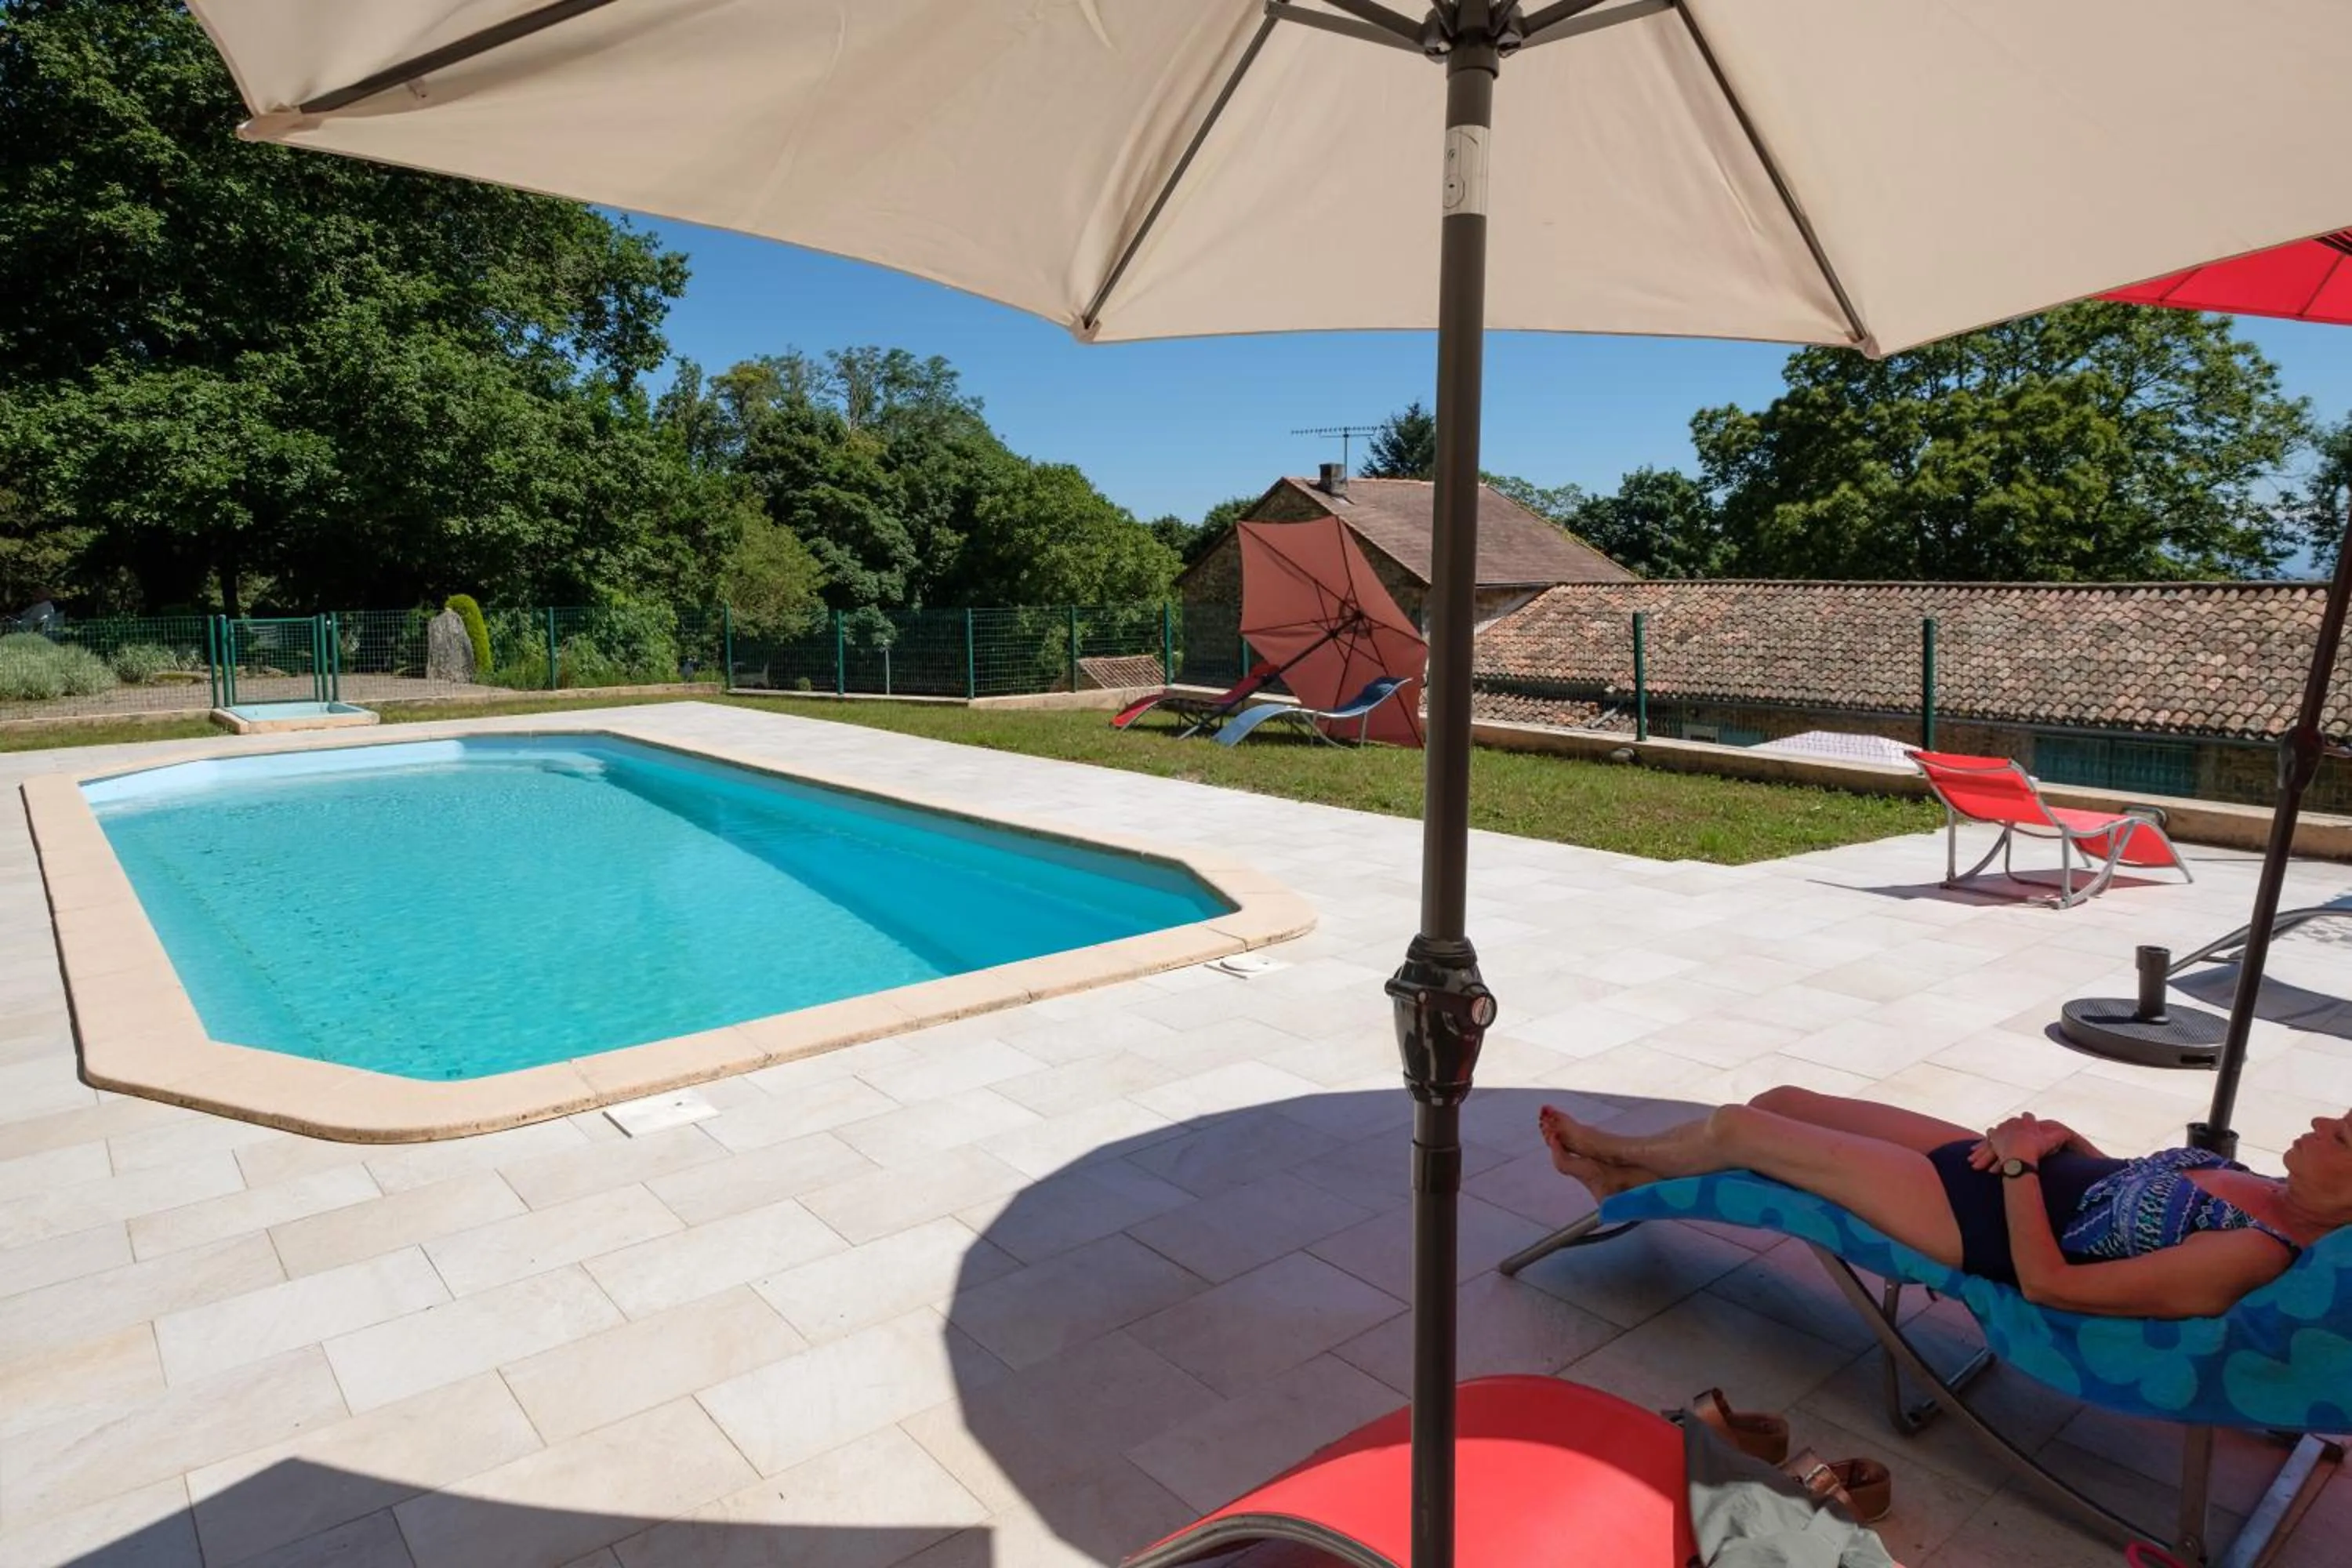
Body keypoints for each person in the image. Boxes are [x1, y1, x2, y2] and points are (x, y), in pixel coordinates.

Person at [1539, 1089, 2352, 1319]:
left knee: (1741, 1129)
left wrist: (2020, 1168)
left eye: (2343, 1138)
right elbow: (2122, 1194)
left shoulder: (2250, 1249)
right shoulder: (2261, 1186)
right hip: (1998, 1167)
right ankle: (1625, 1181)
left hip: (1980, 1224)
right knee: (1778, 1101)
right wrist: (2063, 1142)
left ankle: (1620, 1161)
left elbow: (2052, 1284)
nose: (2320, 1124)